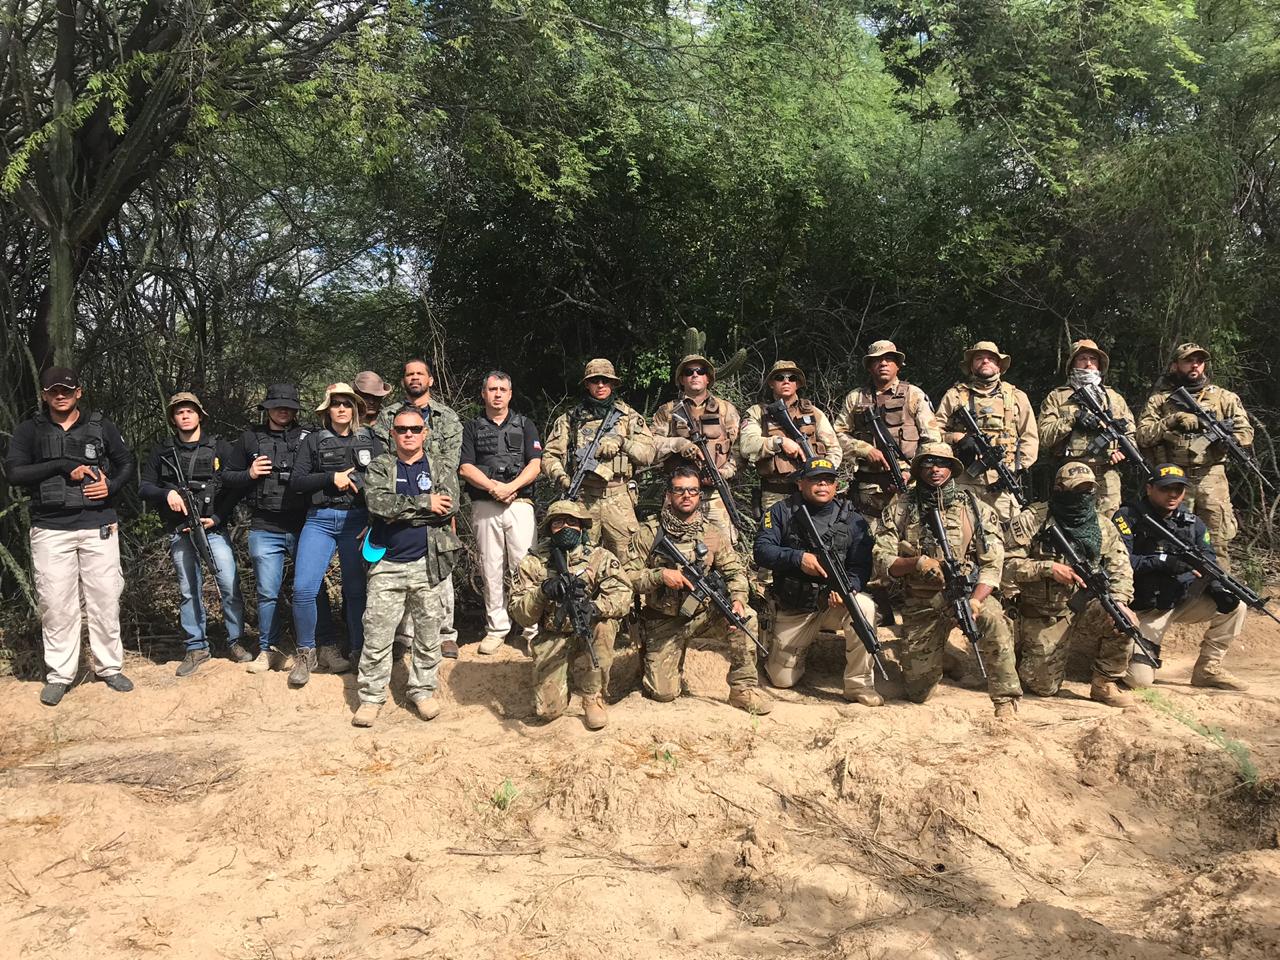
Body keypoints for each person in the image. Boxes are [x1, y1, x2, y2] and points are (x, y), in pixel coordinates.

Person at [5, 367, 135, 704]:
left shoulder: (101, 425)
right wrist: (61, 464)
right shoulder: (28, 431)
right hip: (50, 529)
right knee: (56, 605)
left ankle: (109, 667)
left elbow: (126, 463)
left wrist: (112, 485)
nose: (60, 395)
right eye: (53, 391)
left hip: (99, 525)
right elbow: (15, 473)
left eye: (67, 390)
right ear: (44, 395)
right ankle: (61, 674)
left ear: (79, 392)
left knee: (105, 599)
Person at [872, 442, 1021, 718]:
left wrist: (976, 600)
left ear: (952, 468)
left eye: (942, 464)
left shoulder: (974, 507)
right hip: (922, 601)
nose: (935, 470)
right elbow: (882, 561)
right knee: (918, 693)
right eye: (928, 464)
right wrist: (915, 563)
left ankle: (1006, 700)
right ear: (919, 470)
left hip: (965, 595)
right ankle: (942, 658)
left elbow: (992, 563)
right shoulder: (900, 507)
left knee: (995, 619)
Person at [625, 465, 771, 713]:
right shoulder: (649, 533)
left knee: (746, 617)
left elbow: (735, 572)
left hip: (703, 614)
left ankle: (742, 690)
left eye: (693, 490)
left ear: (700, 495)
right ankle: (652, 660)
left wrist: (737, 598)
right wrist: (660, 575)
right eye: (679, 490)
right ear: (668, 495)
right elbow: (627, 576)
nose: (686, 495)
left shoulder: (712, 533)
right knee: (663, 694)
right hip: (664, 620)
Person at [354, 406, 461, 726]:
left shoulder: (440, 466)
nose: (409, 434)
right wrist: (424, 503)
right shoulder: (380, 466)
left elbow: (448, 508)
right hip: (387, 563)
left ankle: (422, 691)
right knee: (377, 633)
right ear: (393, 433)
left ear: (425, 432)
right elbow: (377, 504)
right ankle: (371, 698)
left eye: (415, 429)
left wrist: (402, 509)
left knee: (428, 634)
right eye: (402, 429)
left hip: (428, 563)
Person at [1003, 462, 1136, 707]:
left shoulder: (1102, 526)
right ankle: (1023, 650)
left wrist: (1119, 600)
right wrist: (1048, 569)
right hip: (1043, 612)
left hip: (1084, 606)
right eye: (1076, 491)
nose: (1082, 497)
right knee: (1042, 687)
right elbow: (1005, 564)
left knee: (1123, 619)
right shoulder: (1033, 519)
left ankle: (1105, 683)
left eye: (1088, 491)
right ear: (1059, 490)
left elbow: (1121, 569)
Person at [753, 457, 882, 706]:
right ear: (801, 483)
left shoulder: (853, 520)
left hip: (834, 605)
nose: (822, 484)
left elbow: (862, 566)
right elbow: (761, 550)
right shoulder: (782, 511)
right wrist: (797, 558)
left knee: (864, 607)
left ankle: (859, 685)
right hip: (796, 606)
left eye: (828, 480)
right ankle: (795, 654)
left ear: (836, 486)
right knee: (782, 679)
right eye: (815, 479)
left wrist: (850, 588)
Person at [224, 383, 333, 673]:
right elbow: (227, 477)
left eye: (288, 405)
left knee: (312, 588)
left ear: (296, 409)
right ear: (267, 408)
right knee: (267, 592)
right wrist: (249, 474)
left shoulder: (311, 436)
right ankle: (269, 649)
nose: (283, 410)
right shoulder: (250, 439)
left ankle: (325, 646)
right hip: (264, 525)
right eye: (277, 405)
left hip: (306, 525)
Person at [1113, 464, 1248, 691]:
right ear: (1149, 489)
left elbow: (1208, 560)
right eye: (1166, 489)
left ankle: (1208, 669)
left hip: (1179, 599)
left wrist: (1215, 586)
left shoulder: (1192, 522)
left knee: (1236, 606)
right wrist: (1163, 562)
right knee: (1139, 681)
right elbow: (1121, 563)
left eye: (1179, 489)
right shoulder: (1127, 517)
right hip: (1143, 608)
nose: (1173, 495)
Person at [139, 391, 245, 677]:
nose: (185, 416)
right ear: (173, 418)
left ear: (200, 415)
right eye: (179, 412)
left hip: (213, 529)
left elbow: (236, 486)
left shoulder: (219, 448)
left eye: (190, 411)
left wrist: (218, 517)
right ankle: (196, 646)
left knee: (229, 584)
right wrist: (167, 493)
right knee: (189, 591)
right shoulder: (162, 452)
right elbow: (145, 487)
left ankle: (236, 641)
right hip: (180, 529)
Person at [288, 382, 383, 686]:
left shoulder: (370, 439)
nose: (341, 408)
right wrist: (332, 477)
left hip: (357, 522)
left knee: (355, 592)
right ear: (327, 409)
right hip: (320, 520)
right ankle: (306, 654)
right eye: (335, 403)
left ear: (355, 408)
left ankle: (358, 650)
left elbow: (385, 480)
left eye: (347, 403)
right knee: (304, 589)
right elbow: (297, 481)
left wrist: (374, 518)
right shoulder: (313, 441)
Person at [510, 500, 633, 729]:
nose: (565, 527)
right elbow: (520, 614)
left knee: (605, 627)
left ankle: (592, 695)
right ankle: (565, 680)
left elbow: (623, 594)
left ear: (581, 527)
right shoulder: (533, 561)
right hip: (552, 634)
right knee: (548, 711)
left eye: (571, 522)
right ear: (549, 528)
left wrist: (595, 608)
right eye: (558, 522)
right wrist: (544, 591)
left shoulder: (599, 557)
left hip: (589, 629)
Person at [1136, 343, 1254, 573]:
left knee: (1218, 542)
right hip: (1174, 481)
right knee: (1174, 541)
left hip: (1212, 478)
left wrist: (1230, 439)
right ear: (1175, 365)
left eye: (1199, 361)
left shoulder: (1224, 397)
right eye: (1188, 361)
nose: (1195, 366)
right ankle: (1180, 597)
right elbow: (1142, 435)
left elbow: (1246, 432)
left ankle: (1222, 595)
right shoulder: (1160, 401)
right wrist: (1172, 420)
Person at [374, 358, 463, 657]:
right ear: (403, 381)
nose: (414, 378)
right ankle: (404, 636)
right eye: (409, 374)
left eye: (420, 373)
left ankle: (446, 632)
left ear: (430, 380)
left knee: (440, 563)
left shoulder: (447, 417)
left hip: (440, 497)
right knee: (401, 567)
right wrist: (417, 504)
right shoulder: (388, 417)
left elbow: (450, 463)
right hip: (400, 498)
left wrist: (440, 503)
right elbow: (384, 463)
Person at [458, 371, 543, 655]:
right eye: (492, 389)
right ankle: (496, 628)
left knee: (526, 568)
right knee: (490, 568)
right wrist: (494, 488)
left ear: (510, 393)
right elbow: (466, 467)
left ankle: (532, 630)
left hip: (519, 505)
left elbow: (535, 465)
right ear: (483, 393)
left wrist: (512, 487)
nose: (497, 394)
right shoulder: (471, 427)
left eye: (502, 389)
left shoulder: (526, 424)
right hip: (485, 505)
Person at [540, 358, 656, 558]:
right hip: (583, 498)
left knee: (629, 560)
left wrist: (622, 442)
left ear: (612, 383)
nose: (600, 385)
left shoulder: (628, 417)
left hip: (619, 497)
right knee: (580, 559)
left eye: (605, 380)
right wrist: (560, 476)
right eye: (595, 381)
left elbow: (648, 455)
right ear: (587, 384)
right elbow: (549, 455)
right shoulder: (571, 419)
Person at [834, 340, 940, 518]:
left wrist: (912, 472)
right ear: (869, 366)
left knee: (910, 540)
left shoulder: (914, 394)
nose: (883, 363)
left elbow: (932, 440)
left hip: (908, 484)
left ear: (898, 365)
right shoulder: (856, 397)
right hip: (867, 488)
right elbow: (836, 434)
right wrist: (864, 450)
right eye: (877, 360)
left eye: (889, 359)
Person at [937, 341, 1039, 523]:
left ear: (999, 365)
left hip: (1002, 483)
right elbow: (933, 432)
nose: (985, 361)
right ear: (971, 365)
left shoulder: (1016, 397)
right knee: (960, 534)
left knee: (1007, 539)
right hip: (964, 481)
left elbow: (1030, 438)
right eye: (979, 358)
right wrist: (957, 437)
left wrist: (1017, 468)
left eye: (991, 358)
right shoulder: (954, 396)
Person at [1038, 339, 1140, 515]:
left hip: (1107, 475)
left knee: (1110, 527)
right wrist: (1073, 418)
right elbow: (1044, 437)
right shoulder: (1058, 397)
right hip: (1071, 475)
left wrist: (1123, 452)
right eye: (1082, 359)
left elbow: (1130, 432)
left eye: (1093, 359)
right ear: (1072, 364)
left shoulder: (1113, 397)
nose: (1088, 364)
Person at [650, 354, 743, 537]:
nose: (695, 375)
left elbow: (739, 449)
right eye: (688, 372)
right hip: (679, 495)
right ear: (681, 379)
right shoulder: (668, 411)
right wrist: (679, 444)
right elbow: (650, 445)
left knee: (724, 546)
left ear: (708, 378)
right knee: (675, 547)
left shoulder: (726, 409)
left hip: (716, 493)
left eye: (700, 371)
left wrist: (726, 471)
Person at [739, 360, 841, 515]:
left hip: (811, 493)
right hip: (775, 495)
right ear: (772, 383)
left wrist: (821, 473)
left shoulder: (814, 413)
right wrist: (779, 442)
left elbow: (834, 449)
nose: (786, 381)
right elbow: (747, 446)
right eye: (780, 377)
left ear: (798, 383)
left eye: (791, 378)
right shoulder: (757, 412)